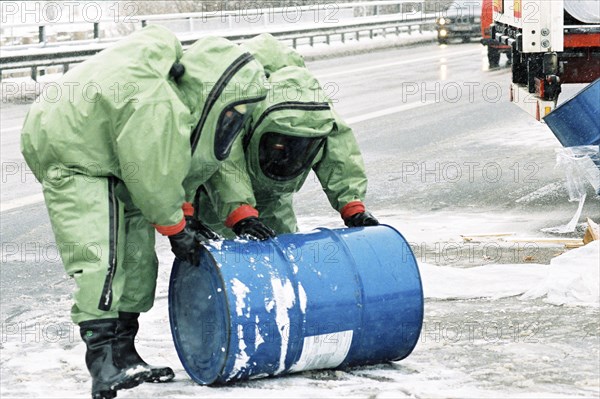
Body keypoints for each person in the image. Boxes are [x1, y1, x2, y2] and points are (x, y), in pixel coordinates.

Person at [20, 25, 267, 399]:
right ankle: (102, 365)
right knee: (102, 259)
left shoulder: (176, 101)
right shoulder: (160, 102)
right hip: (74, 156)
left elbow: (165, 168)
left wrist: (181, 215)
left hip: (113, 158)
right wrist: (176, 227)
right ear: (215, 92)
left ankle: (125, 353)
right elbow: (153, 175)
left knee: (137, 260)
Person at [195, 34, 378, 238]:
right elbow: (225, 158)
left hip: (273, 196)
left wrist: (352, 204)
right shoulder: (238, 100)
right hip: (215, 194)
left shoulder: (312, 103)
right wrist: (240, 214)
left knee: (285, 246)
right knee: (226, 252)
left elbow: (339, 151)